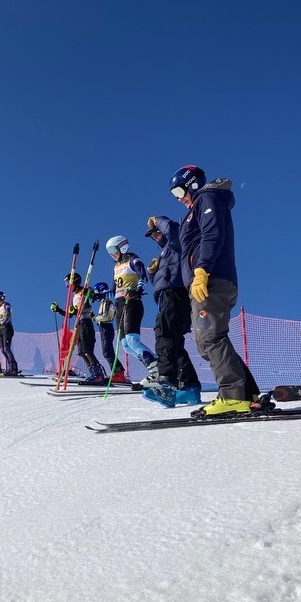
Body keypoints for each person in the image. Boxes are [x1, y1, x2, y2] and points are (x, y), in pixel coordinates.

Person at [169, 164, 259, 415]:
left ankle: (233, 396)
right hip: (206, 281)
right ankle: (247, 393)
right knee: (208, 339)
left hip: (211, 279)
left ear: (192, 184)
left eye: (179, 191)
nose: (180, 199)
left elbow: (212, 235)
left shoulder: (207, 198)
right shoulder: (195, 208)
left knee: (210, 337)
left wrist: (201, 270)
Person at [140, 217, 202, 407]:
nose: (155, 237)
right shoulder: (164, 253)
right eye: (152, 236)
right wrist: (152, 273)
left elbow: (173, 230)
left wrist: (158, 220)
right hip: (167, 295)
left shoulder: (177, 244)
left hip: (175, 293)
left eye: (156, 232)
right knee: (174, 341)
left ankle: (167, 382)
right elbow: (159, 282)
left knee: (165, 335)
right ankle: (190, 387)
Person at [105, 236, 158, 381]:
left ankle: (156, 367)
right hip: (119, 305)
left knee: (132, 340)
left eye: (112, 250)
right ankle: (151, 364)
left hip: (132, 302)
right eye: (108, 252)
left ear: (121, 247)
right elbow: (113, 289)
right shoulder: (116, 267)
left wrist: (138, 290)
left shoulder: (133, 259)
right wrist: (96, 294)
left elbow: (143, 276)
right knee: (126, 345)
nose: (111, 254)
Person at [51, 273, 105, 384]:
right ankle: (93, 373)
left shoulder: (84, 290)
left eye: (68, 283)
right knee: (81, 352)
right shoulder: (75, 296)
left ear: (75, 282)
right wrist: (59, 310)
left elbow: (94, 297)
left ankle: (98, 374)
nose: (67, 286)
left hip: (86, 322)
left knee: (87, 350)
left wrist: (89, 293)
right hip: (79, 324)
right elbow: (70, 314)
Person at [91, 282, 127, 383]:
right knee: (107, 351)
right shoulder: (103, 302)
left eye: (97, 292)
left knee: (107, 351)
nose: (96, 295)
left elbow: (105, 316)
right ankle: (117, 372)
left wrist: (94, 318)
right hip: (103, 328)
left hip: (107, 327)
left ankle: (118, 373)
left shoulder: (107, 302)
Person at [0, 291, 19, 375]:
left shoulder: (6, 305)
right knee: (2, 349)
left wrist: (1, 323)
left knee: (7, 348)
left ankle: (13, 368)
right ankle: (9, 367)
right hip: (1, 329)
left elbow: (7, 316)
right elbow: (0, 319)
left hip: (7, 328)